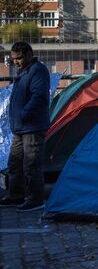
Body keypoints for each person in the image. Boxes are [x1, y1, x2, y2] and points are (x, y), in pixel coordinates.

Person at [0, 42, 50, 212]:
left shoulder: (37, 71)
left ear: (29, 54)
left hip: (32, 127)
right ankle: (16, 195)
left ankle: (36, 199)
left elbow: (39, 96)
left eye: (19, 58)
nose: (16, 62)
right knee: (14, 163)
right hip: (20, 128)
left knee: (31, 164)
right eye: (13, 59)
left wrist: (23, 114)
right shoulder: (23, 72)